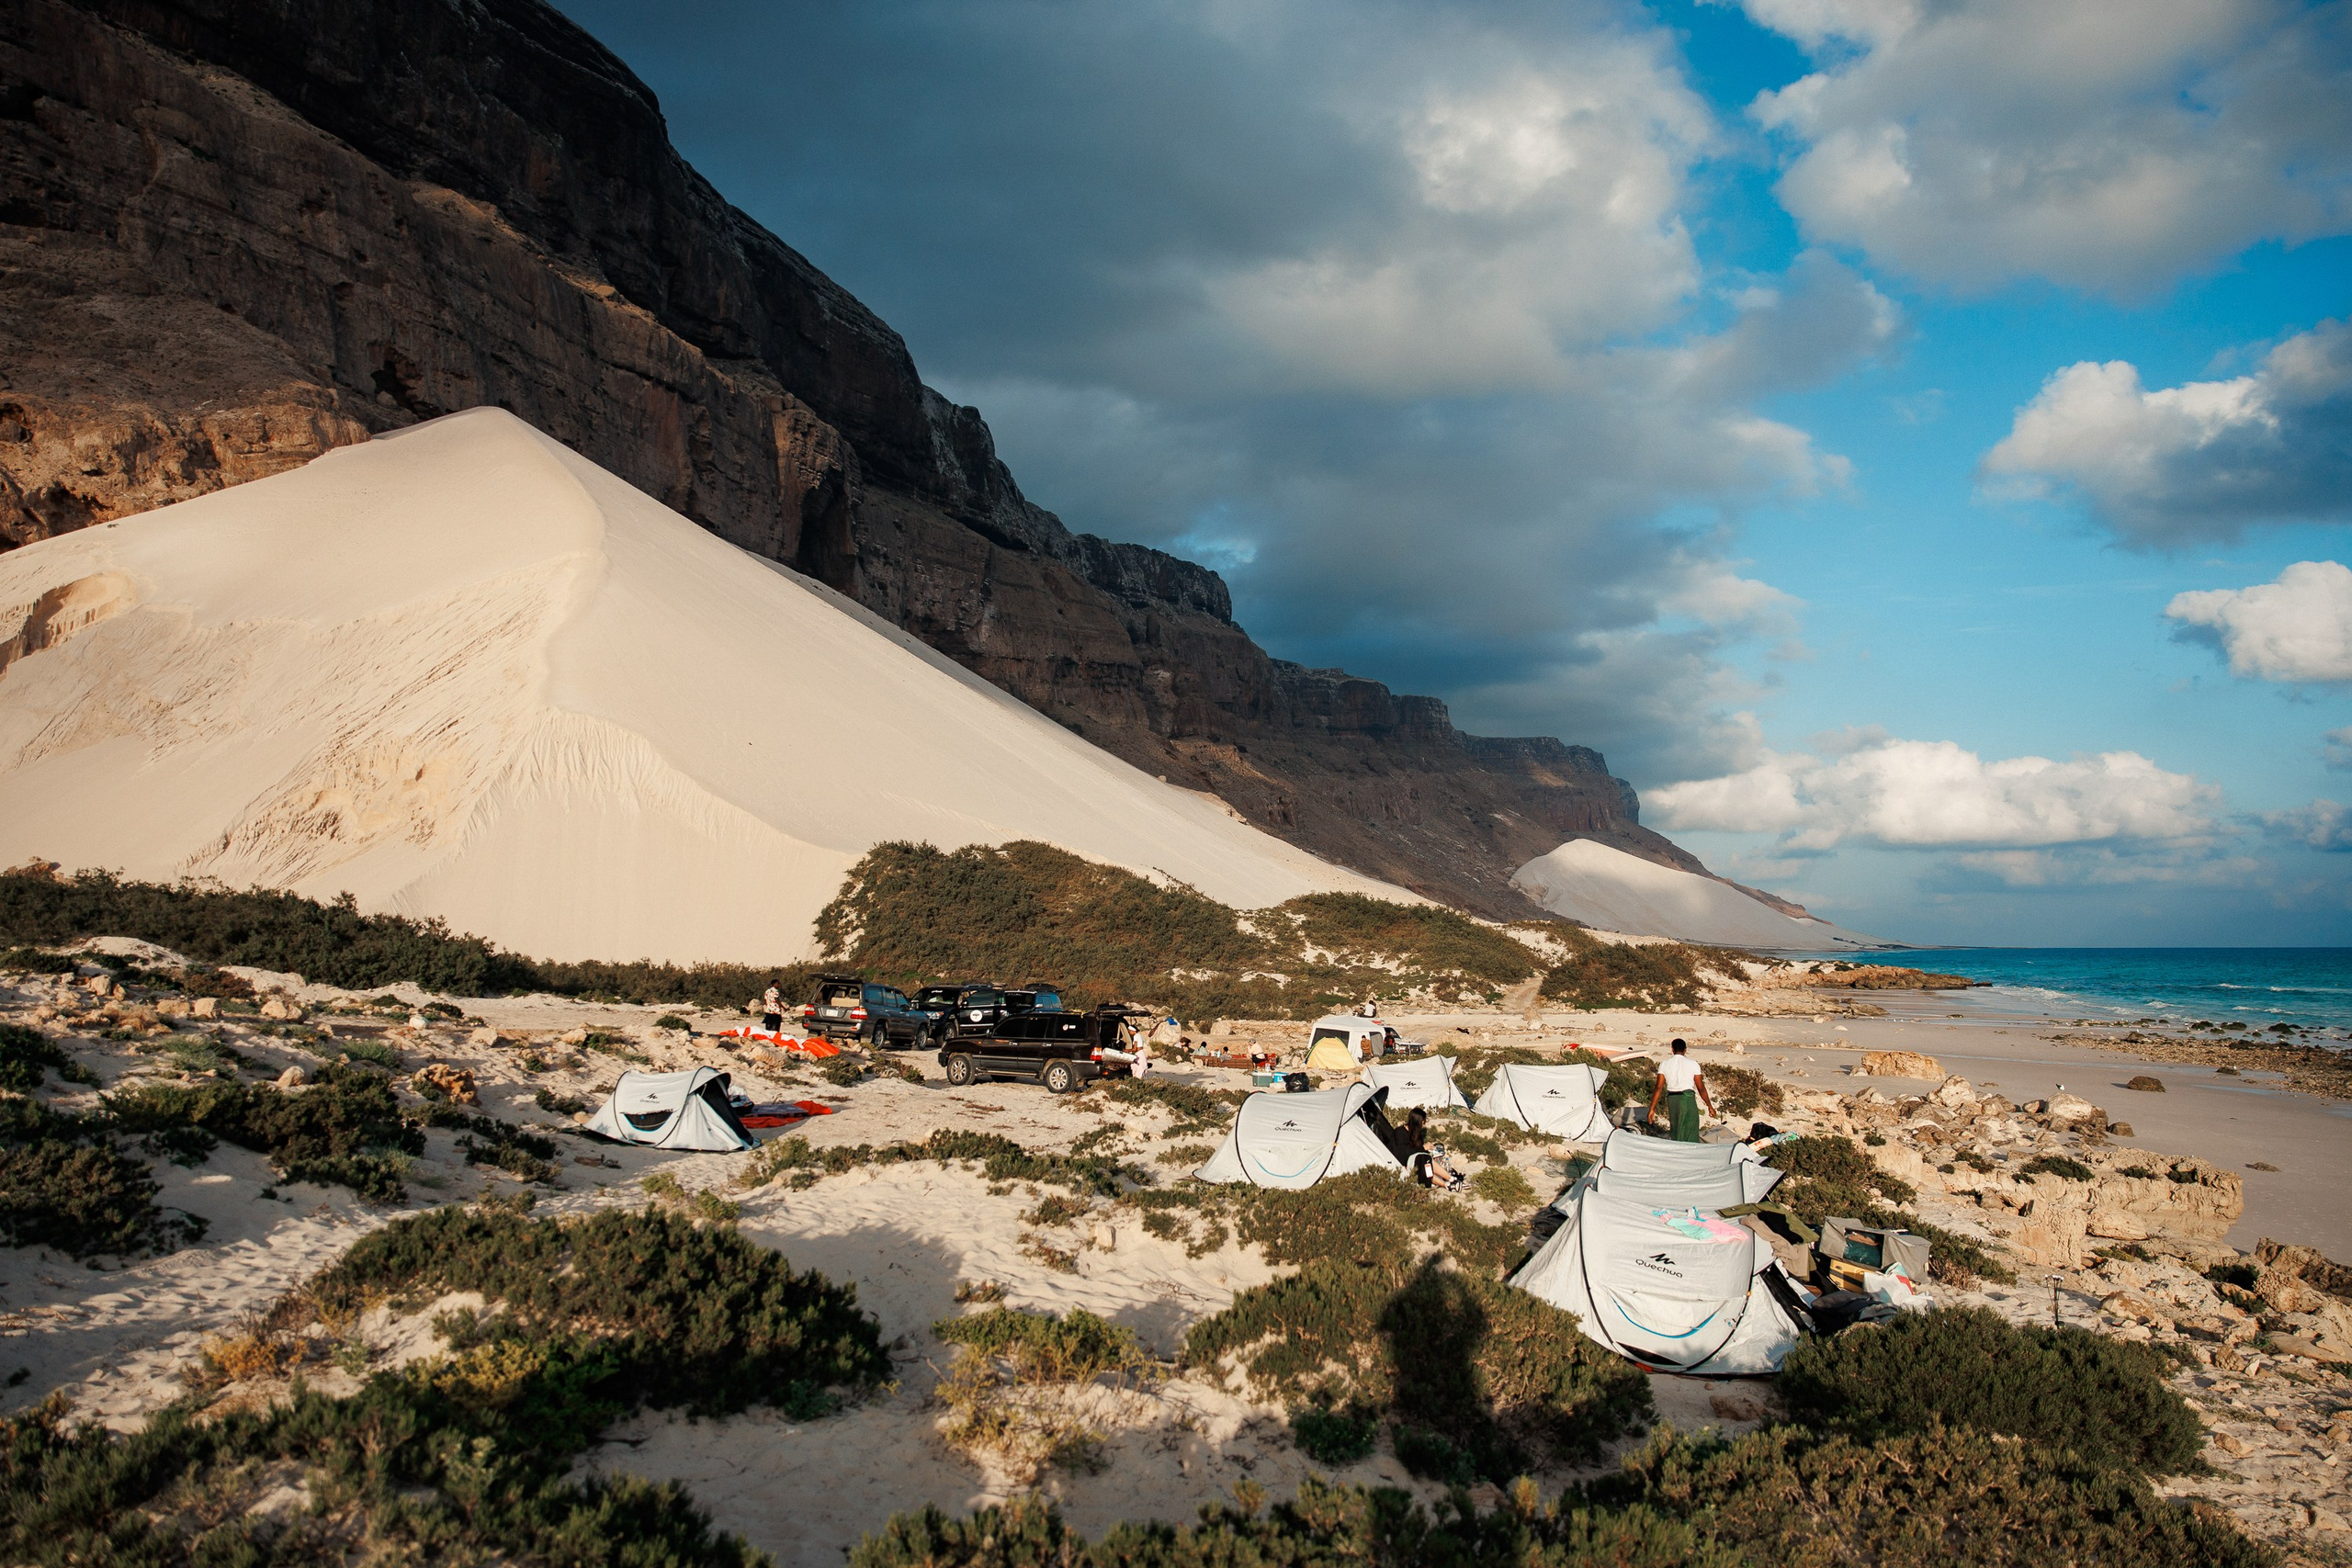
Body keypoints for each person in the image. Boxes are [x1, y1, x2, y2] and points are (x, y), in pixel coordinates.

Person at [1647, 1038, 1713, 1143]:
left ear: (1672, 1049)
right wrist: (1709, 1106)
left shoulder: (1664, 1064)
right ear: (1685, 1049)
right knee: (1690, 1128)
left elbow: (1658, 1087)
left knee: (1676, 1128)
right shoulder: (1693, 1064)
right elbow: (1701, 1088)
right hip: (1687, 1098)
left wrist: (1652, 1108)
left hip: (1672, 1099)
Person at [1401, 1107, 1465, 1190]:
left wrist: (1428, 1149)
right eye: (1422, 1123)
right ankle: (1448, 1183)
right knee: (1424, 1162)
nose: (1423, 1126)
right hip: (1407, 1163)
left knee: (1426, 1160)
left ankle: (1450, 1181)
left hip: (1419, 1160)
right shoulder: (1400, 1133)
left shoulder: (1417, 1133)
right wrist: (1423, 1148)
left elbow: (1418, 1148)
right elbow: (1402, 1154)